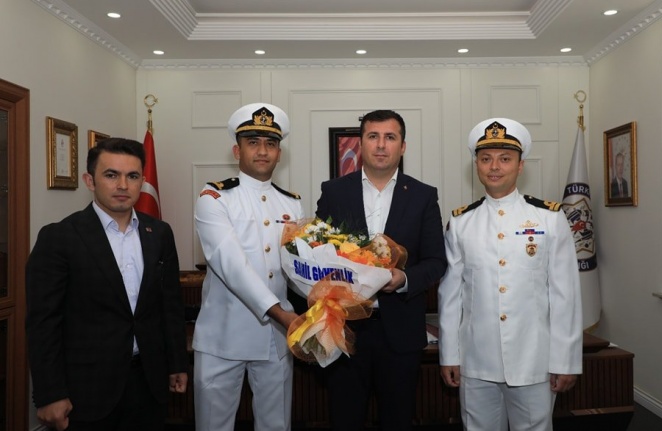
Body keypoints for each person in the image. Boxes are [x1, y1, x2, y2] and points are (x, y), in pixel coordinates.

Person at [26, 138, 189, 431]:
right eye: (111, 175)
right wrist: (50, 394)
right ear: (90, 180)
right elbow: (43, 323)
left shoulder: (159, 233)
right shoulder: (59, 238)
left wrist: (177, 363)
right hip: (87, 390)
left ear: (142, 181)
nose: (123, 185)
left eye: (133, 176)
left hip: (149, 383)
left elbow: (170, 305)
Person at [437, 118, 583, 431]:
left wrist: (566, 360)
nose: (494, 167)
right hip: (476, 361)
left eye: (505, 158)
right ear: (476, 165)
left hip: (534, 360)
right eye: (486, 159)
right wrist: (449, 355)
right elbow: (450, 296)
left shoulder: (549, 218)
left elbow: (565, 296)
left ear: (520, 165)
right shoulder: (461, 223)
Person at [316, 109, 448, 431]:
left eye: (390, 137)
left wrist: (404, 279)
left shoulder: (423, 195)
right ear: (361, 144)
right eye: (373, 136)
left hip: (400, 334)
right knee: (344, 421)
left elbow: (436, 261)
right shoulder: (334, 191)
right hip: (344, 330)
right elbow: (316, 254)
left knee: (398, 421)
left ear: (403, 146)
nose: (380, 145)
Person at [192, 102, 304, 431]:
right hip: (223, 337)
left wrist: (330, 297)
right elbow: (232, 266)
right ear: (236, 150)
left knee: (276, 425)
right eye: (253, 142)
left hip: (275, 339)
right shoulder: (214, 197)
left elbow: (296, 269)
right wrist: (283, 315)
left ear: (279, 153)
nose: (263, 151)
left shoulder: (292, 203)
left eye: (270, 143)